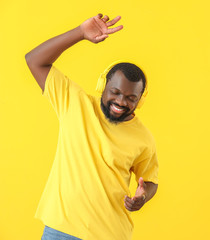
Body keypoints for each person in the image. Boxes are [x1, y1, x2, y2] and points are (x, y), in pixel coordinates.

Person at [25, 13, 159, 240]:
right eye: (115, 92)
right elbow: (34, 60)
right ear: (103, 85)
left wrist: (142, 198)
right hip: (61, 230)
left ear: (140, 100)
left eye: (130, 98)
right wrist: (79, 33)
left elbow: (150, 181)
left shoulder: (143, 138)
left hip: (111, 234)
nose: (120, 102)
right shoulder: (73, 102)